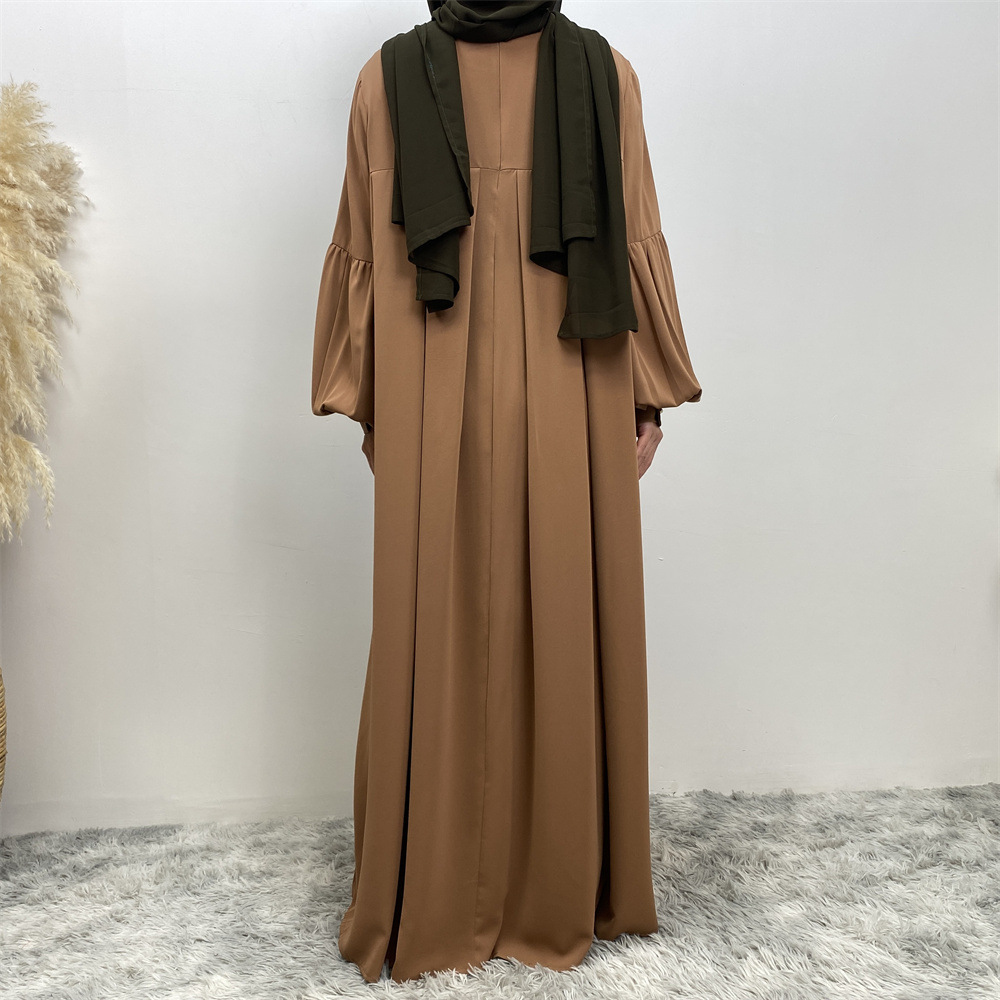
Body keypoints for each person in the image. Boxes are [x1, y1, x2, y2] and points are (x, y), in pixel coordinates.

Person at [311, 0, 702, 983]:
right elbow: (632, 232)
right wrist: (644, 392)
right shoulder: (603, 73)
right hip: (575, 366)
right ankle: (563, 887)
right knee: (567, 612)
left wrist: (374, 401)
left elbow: (364, 251)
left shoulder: (384, 79)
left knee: (438, 620)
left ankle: (433, 890)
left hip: (439, 370)